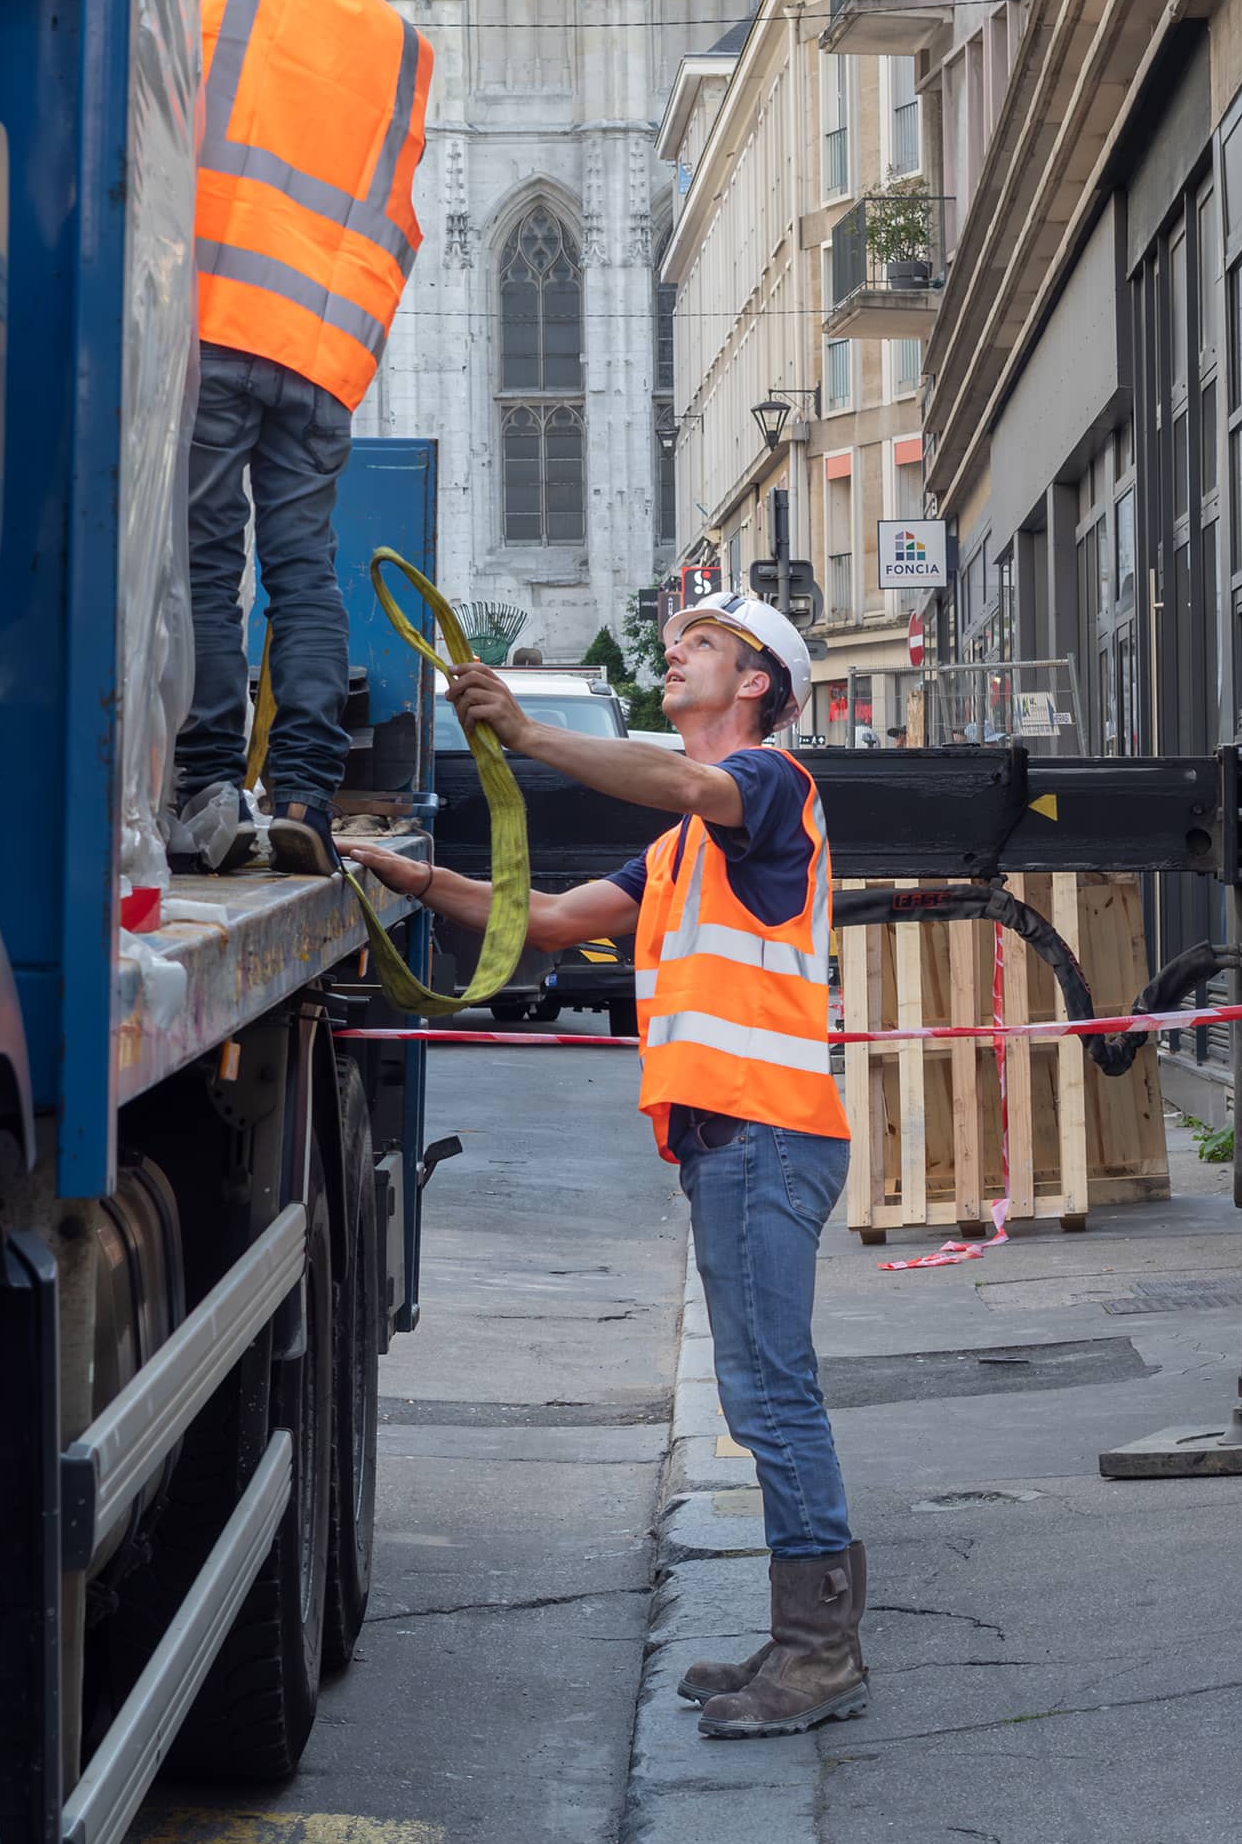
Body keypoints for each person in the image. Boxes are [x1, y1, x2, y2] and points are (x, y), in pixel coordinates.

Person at [347, 591, 868, 1740]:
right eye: (679, 642)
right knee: (762, 1390)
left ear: (755, 689)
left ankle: (824, 1651)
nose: (676, 654)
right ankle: (800, 1639)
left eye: (703, 647)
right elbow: (545, 921)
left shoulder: (771, 785)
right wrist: (406, 878)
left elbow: (684, 780)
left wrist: (528, 735)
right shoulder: (684, 846)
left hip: (763, 1131)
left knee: (773, 1394)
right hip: (736, 1138)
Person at [176, 0, 433, 876]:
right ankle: (305, 800)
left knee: (198, 556)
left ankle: (199, 782)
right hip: (321, 353)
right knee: (301, 569)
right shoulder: (404, 51)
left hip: (212, 314)